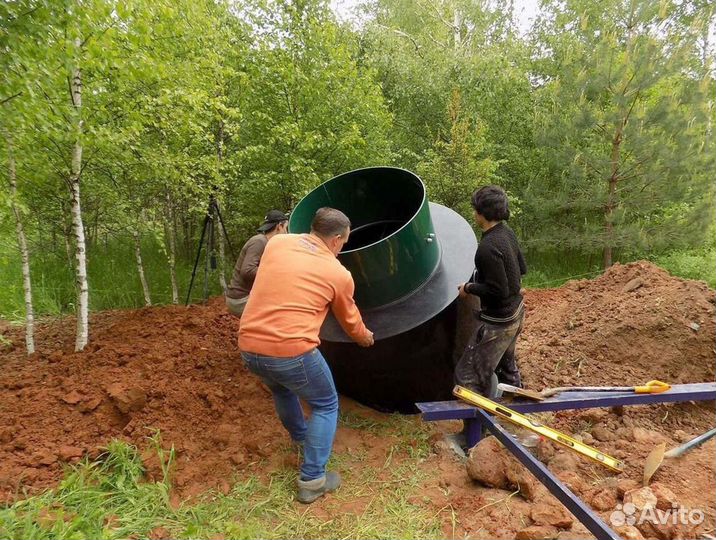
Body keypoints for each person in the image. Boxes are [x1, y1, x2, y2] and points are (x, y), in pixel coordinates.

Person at [238, 207, 374, 504]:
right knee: (326, 404)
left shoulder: (278, 243)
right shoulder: (338, 273)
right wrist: (365, 338)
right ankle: (313, 479)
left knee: (283, 390)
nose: (343, 248)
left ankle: (303, 439)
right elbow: (351, 322)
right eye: (345, 242)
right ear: (337, 239)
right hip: (291, 350)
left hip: (249, 346)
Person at [455, 185, 527, 397]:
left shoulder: (487, 247)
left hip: (499, 323)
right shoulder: (507, 232)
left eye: (474, 209)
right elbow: (521, 269)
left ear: (481, 213)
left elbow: (498, 291)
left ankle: (475, 429)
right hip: (516, 313)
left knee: (468, 376)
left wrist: (469, 287)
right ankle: (516, 410)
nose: (473, 213)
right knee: (507, 366)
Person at [225, 210, 288, 316]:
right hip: (241, 299)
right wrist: (275, 274)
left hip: (246, 296)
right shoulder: (259, 241)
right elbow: (247, 271)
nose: (287, 232)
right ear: (279, 226)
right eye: (286, 228)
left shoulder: (267, 243)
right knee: (282, 313)